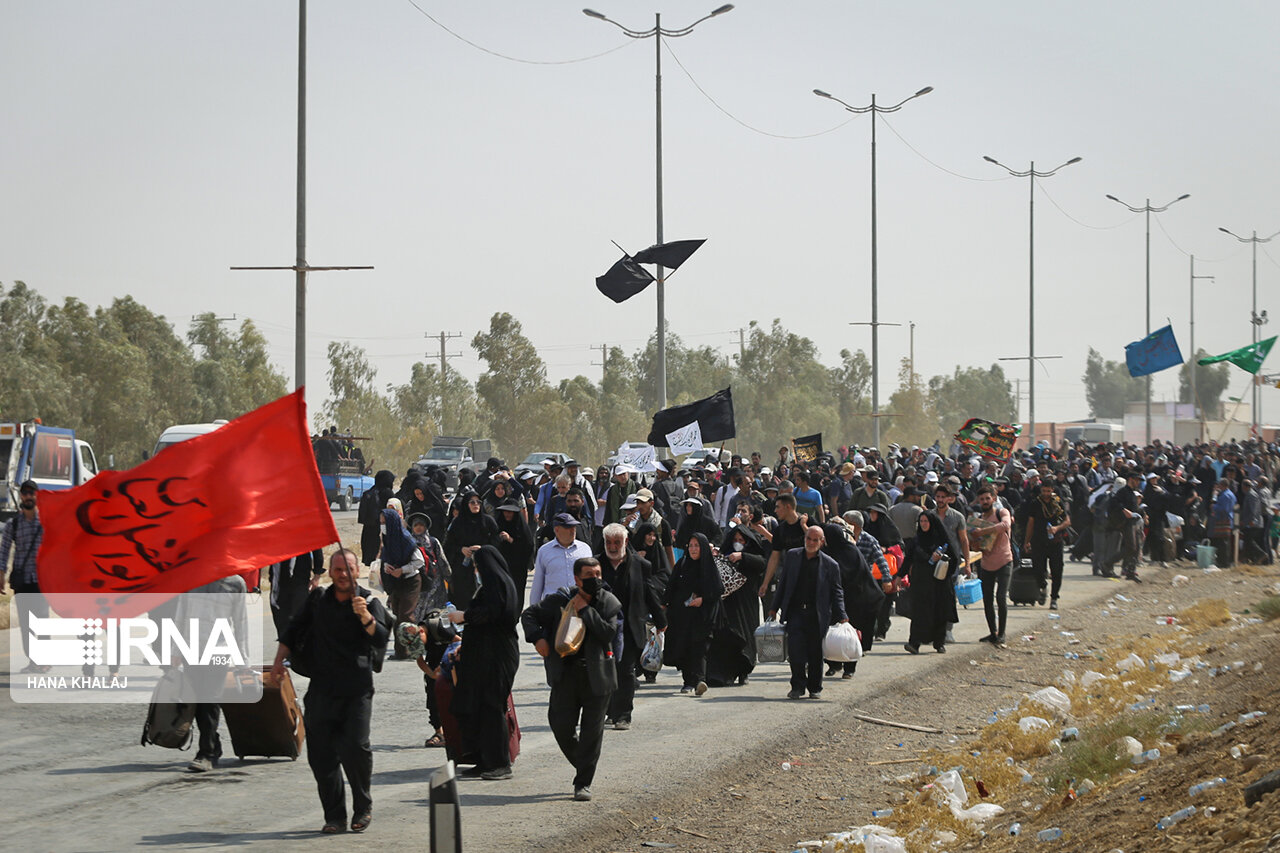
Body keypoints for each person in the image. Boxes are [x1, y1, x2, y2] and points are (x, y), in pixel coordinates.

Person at [273, 549, 394, 835]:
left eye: (348, 569)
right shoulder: (318, 600)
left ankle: (363, 806)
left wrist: (364, 616)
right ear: (329, 572)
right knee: (322, 756)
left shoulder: (368, 600)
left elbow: (381, 637)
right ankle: (334, 816)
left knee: (355, 747)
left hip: (357, 690)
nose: (343, 575)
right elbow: (293, 630)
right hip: (322, 689)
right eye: (338, 569)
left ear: (357, 571)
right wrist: (279, 660)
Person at [520, 556, 622, 802]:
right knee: (560, 724)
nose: (595, 579)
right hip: (566, 675)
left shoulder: (609, 602)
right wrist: (537, 639)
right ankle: (584, 762)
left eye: (598, 574)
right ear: (577, 579)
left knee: (592, 731)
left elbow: (607, 632)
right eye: (589, 575)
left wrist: (585, 609)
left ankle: (583, 782)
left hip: (597, 676)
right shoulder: (559, 601)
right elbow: (529, 615)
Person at [446, 545, 520, 780]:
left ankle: (500, 763)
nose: (476, 571)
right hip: (480, 656)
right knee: (476, 705)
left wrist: (464, 617)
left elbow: (495, 614)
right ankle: (482, 759)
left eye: (479, 566)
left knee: (492, 706)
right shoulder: (487, 588)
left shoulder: (501, 588)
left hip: (498, 657)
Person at [598, 524, 667, 728]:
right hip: (603, 627)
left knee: (626, 671)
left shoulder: (640, 564)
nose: (612, 547)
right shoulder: (596, 564)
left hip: (629, 626)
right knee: (605, 671)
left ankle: (623, 715)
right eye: (609, 542)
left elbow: (649, 593)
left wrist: (661, 620)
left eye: (617, 542)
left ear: (626, 542)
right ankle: (610, 711)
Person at [768, 525, 848, 700]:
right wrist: (774, 607)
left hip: (817, 615)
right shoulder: (793, 556)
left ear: (822, 541)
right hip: (796, 612)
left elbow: (837, 591)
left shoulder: (830, 565)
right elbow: (784, 583)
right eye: (808, 539)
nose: (811, 543)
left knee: (815, 653)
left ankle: (815, 687)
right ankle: (797, 686)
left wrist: (842, 615)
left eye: (815, 540)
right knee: (795, 652)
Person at [181, 574, 250, 772]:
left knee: (209, 699)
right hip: (190, 647)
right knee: (197, 702)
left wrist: (242, 659)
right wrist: (175, 651)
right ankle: (214, 744)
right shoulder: (192, 576)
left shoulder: (235, 583)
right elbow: (181, 614)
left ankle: (207, 753)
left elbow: (241, 621)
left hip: (219, 648)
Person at [662, 532, 724, 695]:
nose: (694, 549)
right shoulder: (682, 564)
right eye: (691, 545)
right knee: (685, 647)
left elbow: (717, 589)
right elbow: (671, 586)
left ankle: (699, 680)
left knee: (700, 648)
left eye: (697, 546)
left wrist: (703, 599)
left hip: (703, 615)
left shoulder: (708, 566)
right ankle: (688, 681)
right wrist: (663, 605)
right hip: (682, 615)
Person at [820, 521, 883, 677]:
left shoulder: (850, 551)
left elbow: (851, 574)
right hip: (835, 600)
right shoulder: (827, 552)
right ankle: (833, 664)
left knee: (850, 635)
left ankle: (850, 668)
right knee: (831, 633)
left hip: (855, 599)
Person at [708, 524, 768, 686]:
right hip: (728, 604)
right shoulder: (725, 555)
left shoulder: (752, 556)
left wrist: (742, 556)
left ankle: (744, 671)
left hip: (746, 604)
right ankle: (723, 674)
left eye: (741, 540)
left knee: (745, 638)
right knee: (727, 637)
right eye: (735, 539)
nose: (737, 542)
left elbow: (762, 563)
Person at [1, 480, 47, 672]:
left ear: (37, 496)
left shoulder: (46, 521)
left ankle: (44, 660)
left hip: (42, 582)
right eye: (25, 493)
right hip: (21, 581)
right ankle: (33, 661)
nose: (28, 496)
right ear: (21, 496)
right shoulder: (14, 523)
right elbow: (4, 550)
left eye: (31, 493)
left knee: (42, 621)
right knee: (26, 624)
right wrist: (1, 574)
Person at [901, 512, 961, 654]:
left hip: (939, 583)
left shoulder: (941, 540)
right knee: (919, 614)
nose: (923, 524)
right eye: (921, 521)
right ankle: (914, 643)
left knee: (939, 612)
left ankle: (939, 643)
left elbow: (954, 559)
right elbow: (908, 559)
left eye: (926, 521)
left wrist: (941, 561)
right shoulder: (917, 540)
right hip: (921, 583)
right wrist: (899, 576)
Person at [970, 484, 1013, 647]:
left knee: (1001, 597)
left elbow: (1005, 526)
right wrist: (974, 540)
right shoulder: (979, 520)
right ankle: (993, 632)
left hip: (1004, 560)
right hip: (987, 564)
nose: (985, 501)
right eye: (982, 499)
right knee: (987, 600)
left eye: (988, 498)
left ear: (993, 499)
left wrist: (982, 532)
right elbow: (977, 546)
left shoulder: (1001, 512)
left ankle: (1001, 634)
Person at [380, 507, 423, 659]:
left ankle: (416, 649)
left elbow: (419, 561)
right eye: (381, 523)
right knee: (398, 616)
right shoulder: (388, 538)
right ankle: (401, 652)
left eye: (384, 522)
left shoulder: (406, 539)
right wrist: (387, 566)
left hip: (410, 581)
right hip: (396, 582)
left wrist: (403, 570)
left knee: (406, 615)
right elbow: (386, 558)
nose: (382, 525)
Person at [444, 489, 500, 607]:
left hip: (484, 564)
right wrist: (462, 549)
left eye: (478, 502)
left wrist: (483, 548)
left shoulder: (488, 521)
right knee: (463, 598)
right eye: (472, 502)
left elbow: (496, 541)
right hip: (462, 566)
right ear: (466, 504)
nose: (476, 505)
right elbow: (449, 545)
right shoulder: (457, 523)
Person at [1023, 480, 1071, 608]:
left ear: (1052, 490)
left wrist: (1057, 528)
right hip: (1039, 541)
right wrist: (1027, 541)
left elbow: (1067, 521)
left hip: (1055, 541)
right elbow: (1031, 523)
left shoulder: (1057, 503)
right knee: (1038, 569)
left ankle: (1054, 598)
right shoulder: (1035, 504)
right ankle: (1043, 587)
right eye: (1044, 491)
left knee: (1057, 571)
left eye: (1048, 491)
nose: (1046, 494)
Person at [531, 513, 594, 604]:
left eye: (574, 527)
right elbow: (537, 584)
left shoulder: (585, 549)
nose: (573, 531)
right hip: (552, 606)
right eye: (568, 528)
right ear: (557, 530)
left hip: (579, 605)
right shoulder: (544, 551)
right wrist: (534, 610)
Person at [269, 549, 324, 641]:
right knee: (281, 620)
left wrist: (316, 576)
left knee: (299, 619)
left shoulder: (304, 534)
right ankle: (287, 649)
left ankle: (300, 648)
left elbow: (317, 548)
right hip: (279, 581)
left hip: (300, 580)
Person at [494, 502, 535, 611]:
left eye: (510, 512)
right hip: (500, 566)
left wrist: (511, 540)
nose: (507, 514)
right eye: (505, 512)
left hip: (517, 568)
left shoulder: (521, 528)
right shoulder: (498, 525)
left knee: (516, 593)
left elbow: (528, 546)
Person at [358, 470, 396, 566]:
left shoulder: (368, 493)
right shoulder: (388, 493)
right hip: (382, 528)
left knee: (371, 556)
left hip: (368, 529)